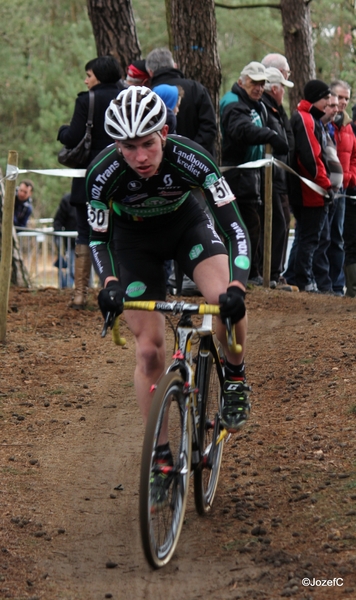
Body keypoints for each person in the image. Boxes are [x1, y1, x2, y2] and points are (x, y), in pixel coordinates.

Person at [86, 87, 251, 507]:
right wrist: (108, 285)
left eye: (147, 144)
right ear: (115, 145)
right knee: (147, 352)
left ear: (164, 132)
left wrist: (238, 286)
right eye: (128, 147)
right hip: (133, 243)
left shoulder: (191, 157)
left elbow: (233, 228)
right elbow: (98, 237)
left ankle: (235, 379)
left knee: (223, 299)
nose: (140, 157)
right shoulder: (104, 172)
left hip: (186, 227)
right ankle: (160, 457)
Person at [57, 55, 122, 309]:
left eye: (89, 75)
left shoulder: (87, 100)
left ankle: (80, 295)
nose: (86, 81)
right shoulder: (127, 95)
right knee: (118, 232)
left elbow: (73, 137)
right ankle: (119, 290)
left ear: (100, 76)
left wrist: (61, 131)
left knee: (85, 232)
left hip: (91, 175)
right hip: (121, 173)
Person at [219, 61, 289, 285]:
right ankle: (246, 274)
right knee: (244, 225)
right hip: (236, 175)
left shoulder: (255, 104)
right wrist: (269, 135)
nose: (258, 88)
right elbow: (241, 129)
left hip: (253, 176)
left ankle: (253, 273)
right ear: (242, 81)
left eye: (261, 84)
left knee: (254, 225)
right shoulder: (233, 103)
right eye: (253, 83)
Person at [287, 79, 333, 292]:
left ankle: (294, 276)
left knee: (304, 235)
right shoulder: (306, 120)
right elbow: (311, 158)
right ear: (315, 99)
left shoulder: (311, 119)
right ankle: (303, 280)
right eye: (325, 98)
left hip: (311, 189)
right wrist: (326, 185)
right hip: (310, 191)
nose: (328, 103)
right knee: (310, 238)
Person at [146, 47, 217, 155]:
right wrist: (192, 154)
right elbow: (209, 126)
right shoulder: (196, 89)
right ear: (174, 66)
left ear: (150, 72)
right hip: (199, 162)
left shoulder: (147, 96)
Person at [262, 67, 294, 286]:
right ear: (274, 88)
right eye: (282, 87)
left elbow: (287, 140)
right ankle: (270, 273)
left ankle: (276, 273)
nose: (284, 92)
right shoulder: (265, 108)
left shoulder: (277, 110)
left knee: (282, 224)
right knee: (276, 223)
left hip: (281, 176)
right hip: (269, 177)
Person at [312, 93, 344, 293]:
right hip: (320, 190)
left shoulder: (331, 127)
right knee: (319, 238)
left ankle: (333, 284)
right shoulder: (315, 125)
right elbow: (313, 158)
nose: (338, 107)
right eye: (332, 103)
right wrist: (325, 183)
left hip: (337, 190)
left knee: (333, 239)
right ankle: (320, 282)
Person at [328, 80, 356, 296]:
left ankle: (340, 286)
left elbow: (353, 156)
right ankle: (325, 283)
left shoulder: (348, 125)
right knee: (323, 236)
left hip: (344, 188)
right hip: (325, 187)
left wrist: (350, 176)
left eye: (346, 98)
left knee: (339, 237)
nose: (343, 102)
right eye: (340, 97)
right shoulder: (326, 123)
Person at [53, 192, 77, 288]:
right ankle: (68, 292)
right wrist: (58, 240)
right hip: (71, 244)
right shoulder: (67, 200)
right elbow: (58, 221)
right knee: (71, 270)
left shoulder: (92, 197)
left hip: (90, 243)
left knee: (87, 271)